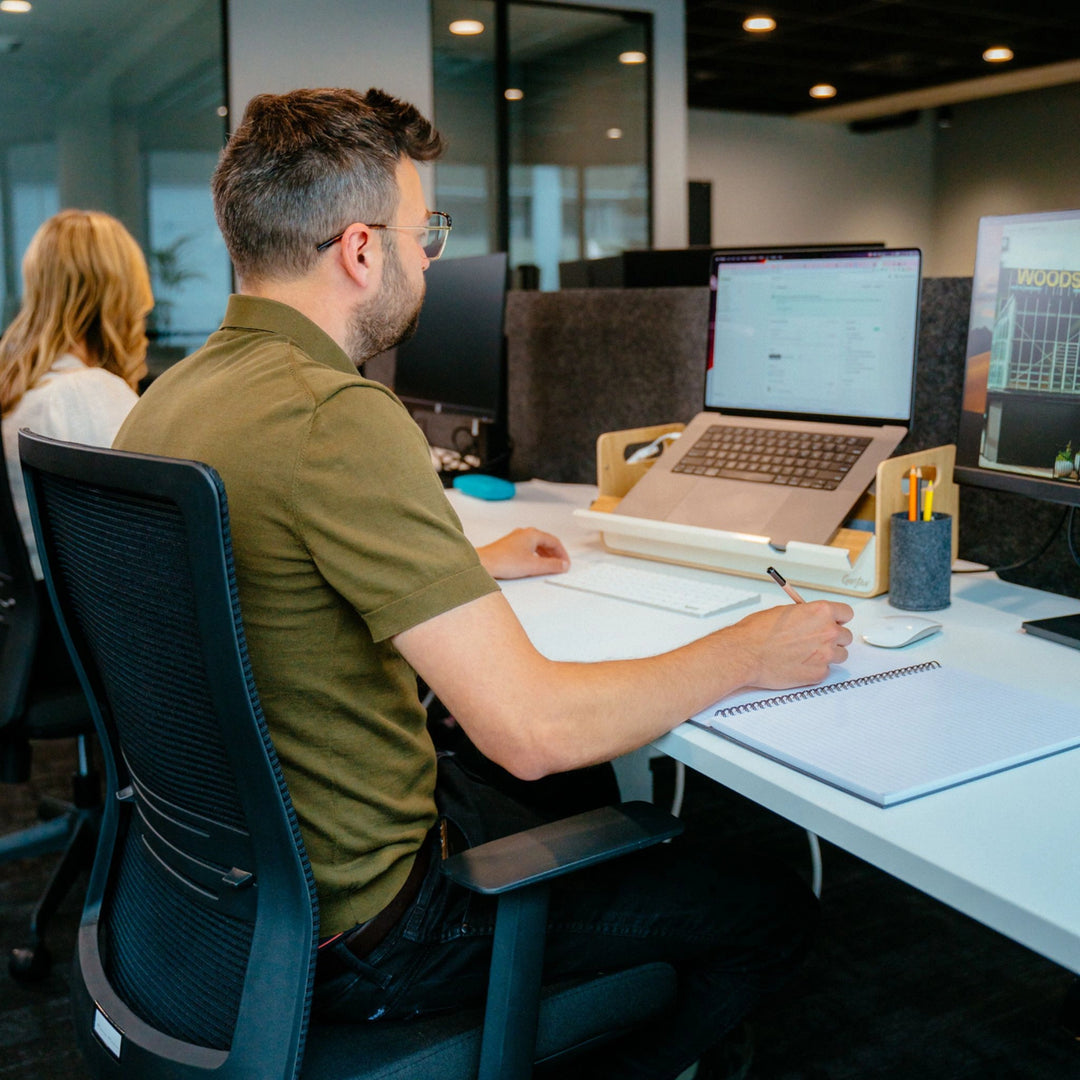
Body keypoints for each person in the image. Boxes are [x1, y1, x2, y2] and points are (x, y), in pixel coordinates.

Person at [114, 87, 854, 1079]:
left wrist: (459, 563)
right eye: (427, 233)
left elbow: (286, 570)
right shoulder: (336, 416)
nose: (431, 258)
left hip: (229, 895)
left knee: (584, 793)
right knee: (767, 899)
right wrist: (748, 650)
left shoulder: (167, 404)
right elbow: (532, 730)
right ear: (360, 251)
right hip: (377, 928)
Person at [1, 209, 153, 685]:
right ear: (119, 295)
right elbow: (147, 544)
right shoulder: (88, 394)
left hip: (20, 635)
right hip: (75, 643)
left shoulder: (17, 390)